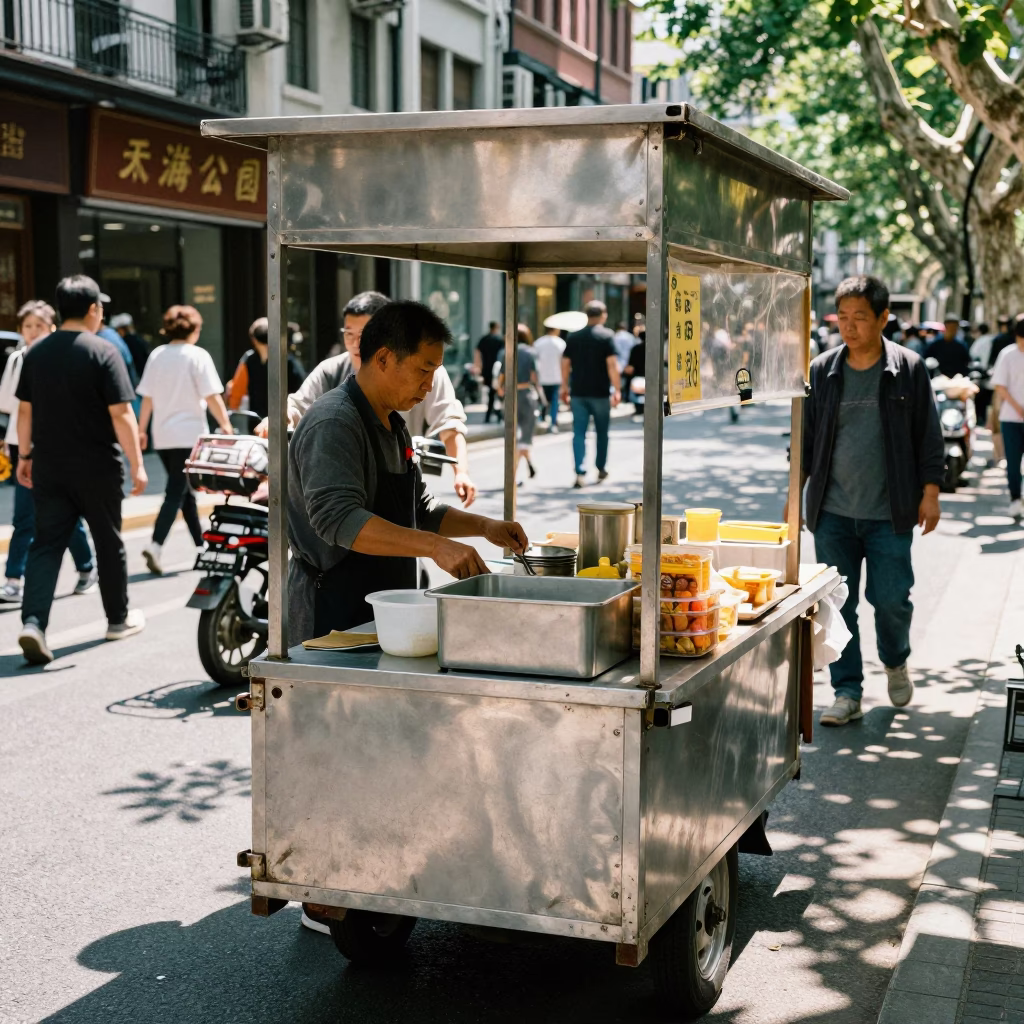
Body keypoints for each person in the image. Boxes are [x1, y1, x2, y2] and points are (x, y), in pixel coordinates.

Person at [799, 275, 943, 727]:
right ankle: (846, 691)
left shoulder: (909, 368)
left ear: (883, 317)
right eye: (843, 317)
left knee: (892, 600)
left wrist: (932, 493)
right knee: (837, 606)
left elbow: (929, 435)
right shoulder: (822, 369)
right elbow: (803, 440)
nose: (849, 326)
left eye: (860, 317)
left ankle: (895, 660)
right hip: (833, 512)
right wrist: (794, 501)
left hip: (891, 512)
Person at [14, 275, 148, 664]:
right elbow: (122, 414)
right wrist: (137, 465)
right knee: (108, 541)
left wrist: (25, 457)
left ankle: (34, 623)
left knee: (46, 544)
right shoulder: (103, 351)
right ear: (93, 310)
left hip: (50, 465)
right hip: (97, 466)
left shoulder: (36, 353)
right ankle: (117, 620)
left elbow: (25, 410)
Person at [258, 291, 478, 507]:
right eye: (348, 334)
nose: (355, 344)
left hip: (402, 482)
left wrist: (462, 473)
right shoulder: (331, 373)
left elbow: (449, 423)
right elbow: (297, 405)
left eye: (363, 335)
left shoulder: (427, 373)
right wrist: (279, 418)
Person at [0, 301, 97, 606]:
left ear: (52, 327)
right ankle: (13, 579)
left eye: (38, 326)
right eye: (27, 326)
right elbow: (7, 404)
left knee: (62, 514)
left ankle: (86, 567)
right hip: (22, 446)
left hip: (55, 445)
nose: (32, 332)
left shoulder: (61, 358)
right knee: (24, 516)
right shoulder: (17, 359)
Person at [137, 305, 235, 575]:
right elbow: (212, 395)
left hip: (163, 436)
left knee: (184, 491)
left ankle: (201, 547)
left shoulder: (157, 355)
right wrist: (226, 425)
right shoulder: (197, 355)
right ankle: (155, 545)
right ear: (193, 329)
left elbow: (147, 397)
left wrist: (141, 429)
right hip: (191, 436)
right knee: (175, 491)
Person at [562, 300, 621, 488]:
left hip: (578, 392)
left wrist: (564, 388)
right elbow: (612, 365)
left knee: (579, 432)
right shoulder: (607, 336)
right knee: (602, 432)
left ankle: (579, 471)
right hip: (601, 392)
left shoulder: (573, 337)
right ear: (603, 315)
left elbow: (565, 364)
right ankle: (601, 468)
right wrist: (617, 389)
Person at [227, 317, 305, 420]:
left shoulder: (249, 360)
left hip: (258, 422)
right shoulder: (288, 360)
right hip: (285, 421)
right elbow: (302, 392)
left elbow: (236, 393)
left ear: (254, 340)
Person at [498, 325, 540, 485]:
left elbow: (501, 377)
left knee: (512, 436)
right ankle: (512, 476)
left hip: (510, 396)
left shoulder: (505, 352)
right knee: (525, 437)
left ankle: (527, 465)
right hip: (526, 394)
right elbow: (534, 377)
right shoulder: (531, 353)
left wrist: (501, 389)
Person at [991, 319, 1024, 518]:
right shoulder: (1008, 355)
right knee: (1012, 462)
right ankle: (1015, 498)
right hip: (1011, 419)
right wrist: (1018, 407)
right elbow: (1000, 386)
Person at [533, 323, 566, 431]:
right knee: (554, 402)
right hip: (556, 376)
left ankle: (540, 419)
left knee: (541, 400)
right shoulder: (561, 343)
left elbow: (534, 361)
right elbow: (563, 362)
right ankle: (553, 423)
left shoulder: (538, 343)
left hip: (541, 376)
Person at [474, 321, 504, 424]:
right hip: (497, 370)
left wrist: (478, 367)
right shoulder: (499, 340)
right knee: (496, 393)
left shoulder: (484, 339)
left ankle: (492, 415)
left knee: (491, 393)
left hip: (486, 370)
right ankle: (498, 414)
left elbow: (477, 353)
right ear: (496, 327)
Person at [970, 321, 996, 428]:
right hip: (991, 372)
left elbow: (972, 354)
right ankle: (987, 421)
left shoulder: (979, 341)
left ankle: (979, 419)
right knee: (988, 400)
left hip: (981, 373)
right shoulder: (993, 340)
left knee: (979, 398)